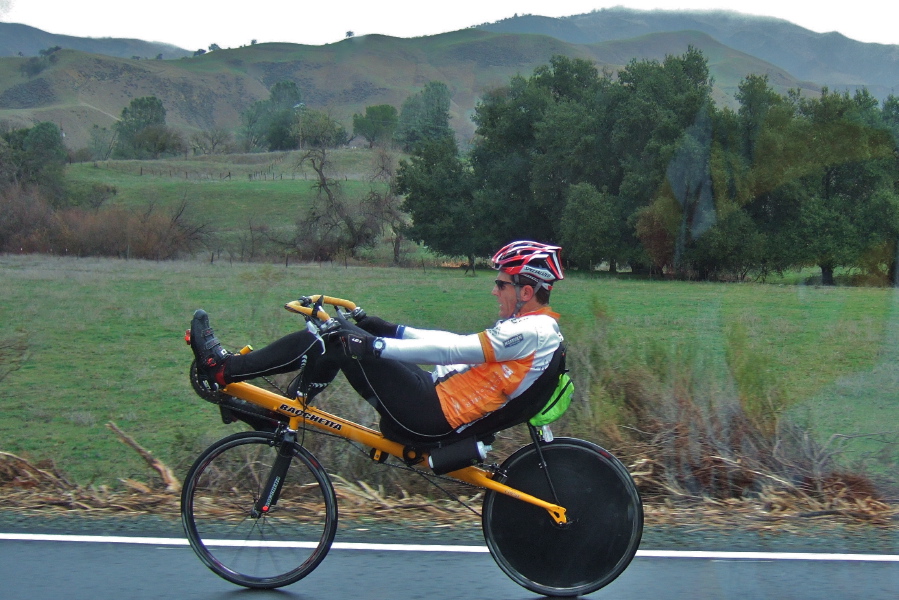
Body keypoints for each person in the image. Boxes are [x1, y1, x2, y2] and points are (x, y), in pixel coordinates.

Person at [189, 241, 565, 440]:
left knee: (335, 338)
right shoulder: (535, 328)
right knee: (341, 335)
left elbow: (452, 350)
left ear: (526, 290)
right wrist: (387, 329)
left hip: (432, 415)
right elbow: (456, 342)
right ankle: (279, 412)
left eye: (501, 284)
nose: (494, 290)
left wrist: (373, 346)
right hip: (433, 396)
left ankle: (223, 370)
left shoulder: (529, 331)